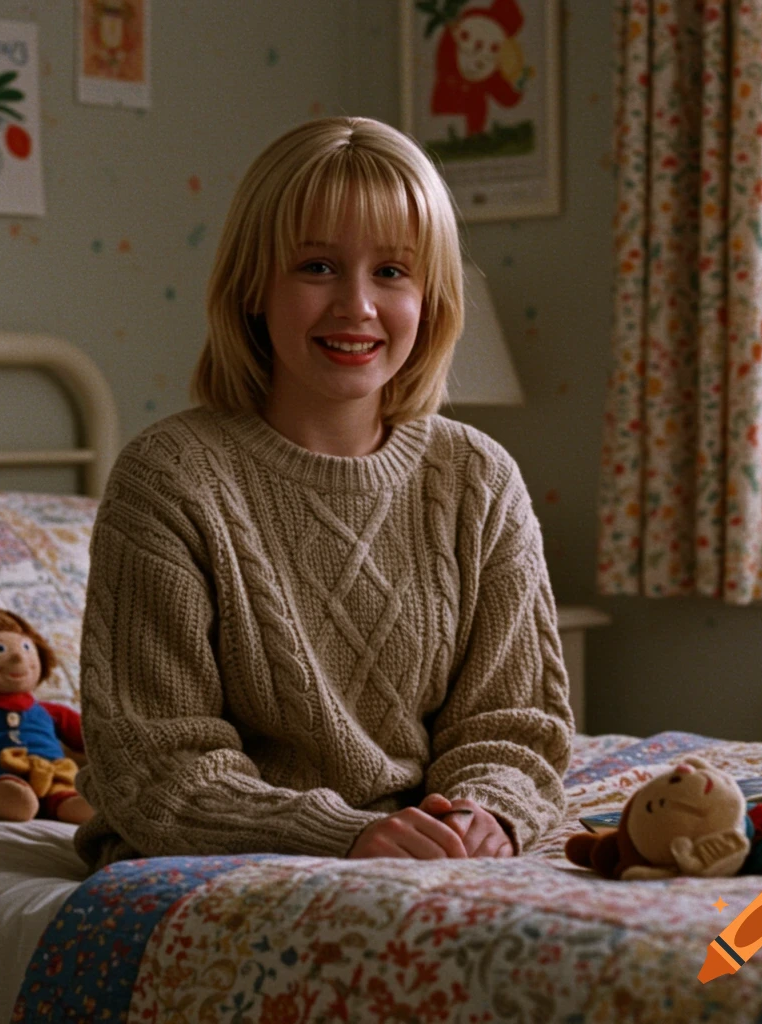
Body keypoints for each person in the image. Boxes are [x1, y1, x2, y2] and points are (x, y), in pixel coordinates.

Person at [73, 115, 574, 870]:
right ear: (252, 284)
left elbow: (513, 722)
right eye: (316, 267)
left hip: (424, 845)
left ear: (430, 297)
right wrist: (345, 834)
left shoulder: (479, 477)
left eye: (392, 272)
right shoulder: (170, 478)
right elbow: (156, 763)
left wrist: (484, 811)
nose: (357, 306)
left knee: (732, 944)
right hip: (227, 857)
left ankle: (760, 936)